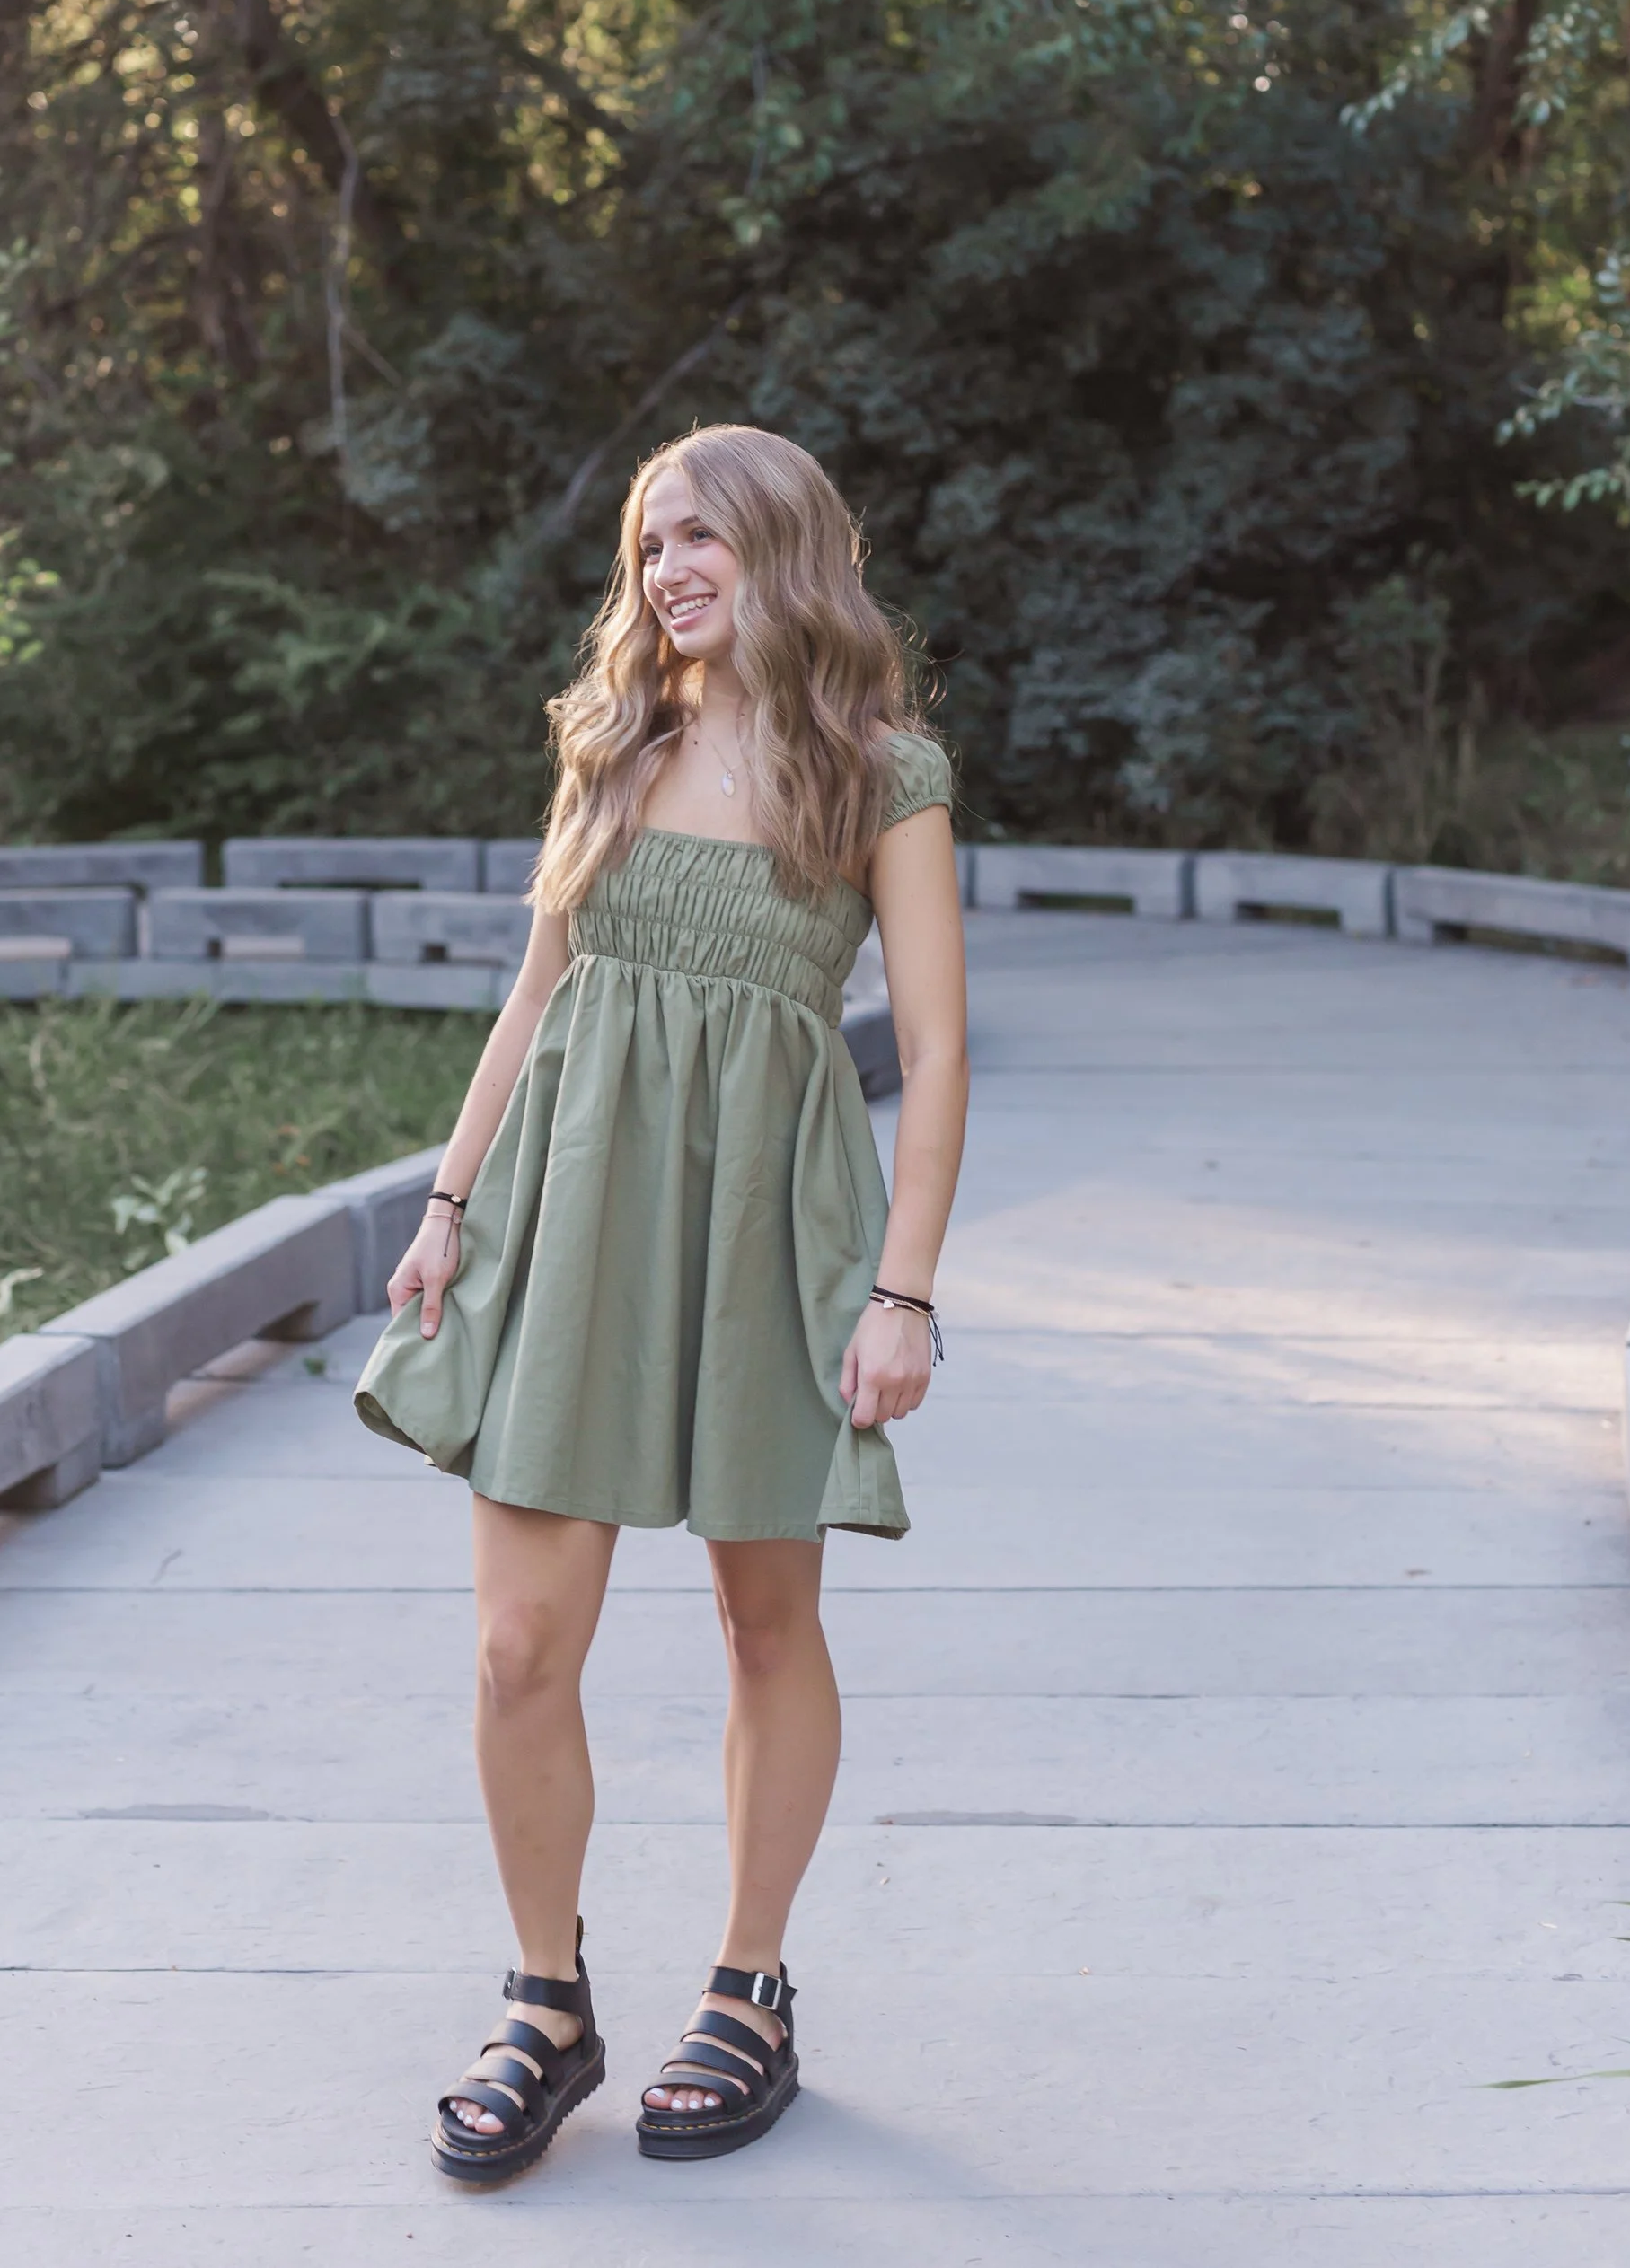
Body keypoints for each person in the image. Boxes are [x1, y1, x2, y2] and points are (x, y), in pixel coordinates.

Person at [355, 423, 969, 2182]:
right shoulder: (612, 741)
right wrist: (450, 1198)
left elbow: (929, 1059)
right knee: (512, 1645)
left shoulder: (881, 772)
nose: (664, 568)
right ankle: (543, 2001)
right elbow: (537, 984)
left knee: (762, 1625)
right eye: (645, 543)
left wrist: (902, 1292)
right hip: (573, 1216)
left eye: (697, 536)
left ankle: (748, 1987)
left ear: (782, 548)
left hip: (769, 1234)